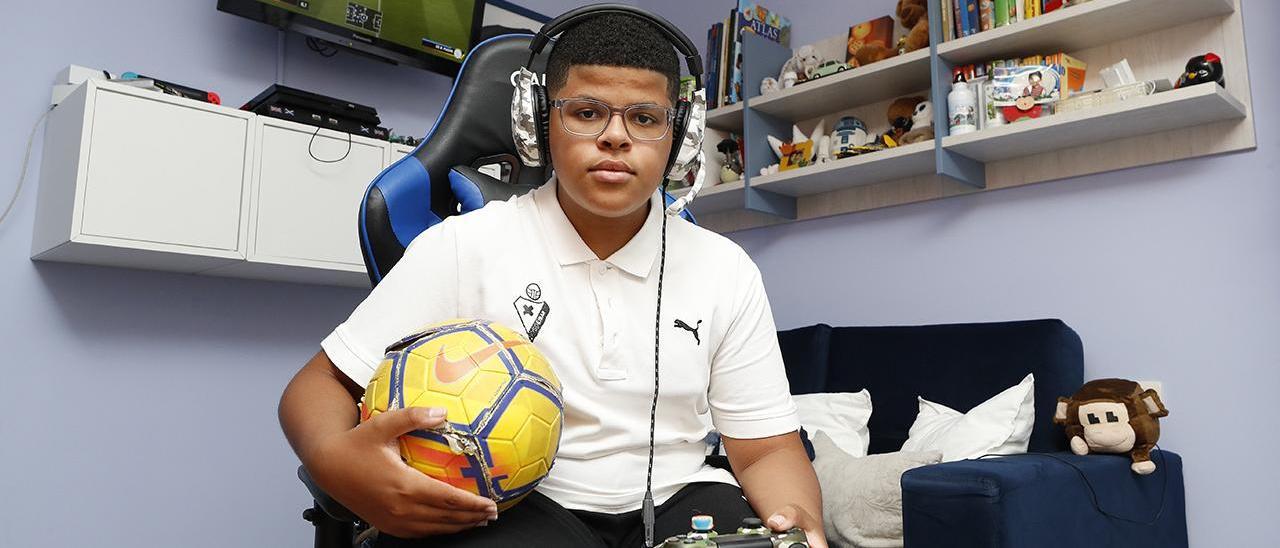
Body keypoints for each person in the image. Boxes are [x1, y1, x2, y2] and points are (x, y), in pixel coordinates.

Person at [278, 9, 826, 548]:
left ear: (678, 135)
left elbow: (765, 450)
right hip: (512, 500)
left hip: (682, 497)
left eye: (644, 117)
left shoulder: (725, 269)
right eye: (586, 113)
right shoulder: (465, 245)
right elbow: (319, 386)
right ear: (537, 122)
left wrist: (798, 523)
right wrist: (337, 463)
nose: (615, 137)